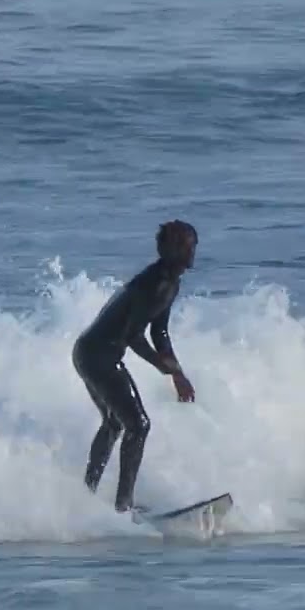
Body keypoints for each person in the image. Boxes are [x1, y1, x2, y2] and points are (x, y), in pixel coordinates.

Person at [71, 219, 198, 512]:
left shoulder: (170, 282)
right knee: (138, 426)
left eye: (193, 245)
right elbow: (133, 337)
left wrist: (177, 373)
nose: (191, 252)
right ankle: (122, 507)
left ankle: (86, 496)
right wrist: (163, 367)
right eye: (185, 246)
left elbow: (159, 333)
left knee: (116, 423)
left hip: (89, 352)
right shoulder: (156, 284)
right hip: (98, 356)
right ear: (169, 250)